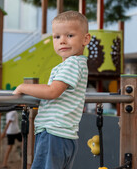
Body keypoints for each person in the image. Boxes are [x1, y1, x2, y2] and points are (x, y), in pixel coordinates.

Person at [13, 11, 91, 169]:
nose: (62, 41)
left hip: (54, 133)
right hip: (64, 135)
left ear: (85, 39)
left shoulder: (72, 64)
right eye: (57, 37)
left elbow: (52, 91)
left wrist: (23, 88)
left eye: (69, 35)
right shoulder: (77, 64)